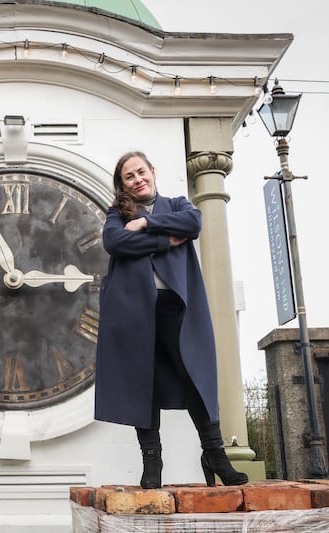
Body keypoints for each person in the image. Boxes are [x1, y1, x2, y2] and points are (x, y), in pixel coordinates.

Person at [94, 151, 248, 489]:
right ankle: (152, 463)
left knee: (195, 377)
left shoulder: (178, 204)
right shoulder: (117, 215)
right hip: (135, 312)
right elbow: (114, 241)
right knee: (142, 382)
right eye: (129, 177)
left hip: (176, 307)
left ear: (153, 171)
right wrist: (166, 240)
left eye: (141, 172)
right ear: (123, 186)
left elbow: (194, 224)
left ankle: (215, 454)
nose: (137, 179)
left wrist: (147, 224)